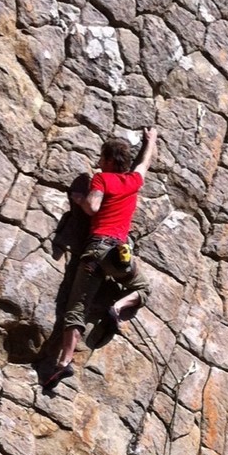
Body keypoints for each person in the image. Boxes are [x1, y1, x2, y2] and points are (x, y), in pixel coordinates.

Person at [43, 127, 156, 389]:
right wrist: (151, 141)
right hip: (118, 255)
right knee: (143, 288)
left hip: (95, 251)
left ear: (109, 160)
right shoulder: (133, 181)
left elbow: (93, 207)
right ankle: (118, 307)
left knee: (76, 308)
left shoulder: (102, 179)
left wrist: (79, 199)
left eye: (102, 157)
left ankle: (64, 361)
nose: (98, 161)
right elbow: (144, 164)